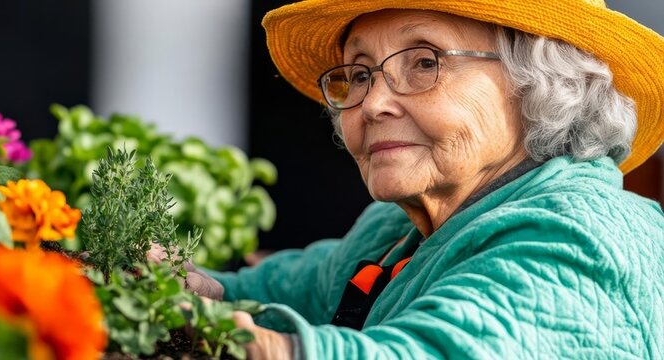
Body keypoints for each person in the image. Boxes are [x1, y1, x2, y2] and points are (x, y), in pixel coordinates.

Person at [150, 0, 664, 358]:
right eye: (358, 72)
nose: (371, 103)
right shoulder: (393, 235)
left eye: (424, 61)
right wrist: (154, 283)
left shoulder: (581, 239)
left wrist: (257, 346)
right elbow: (249, 293)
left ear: (540, 84)